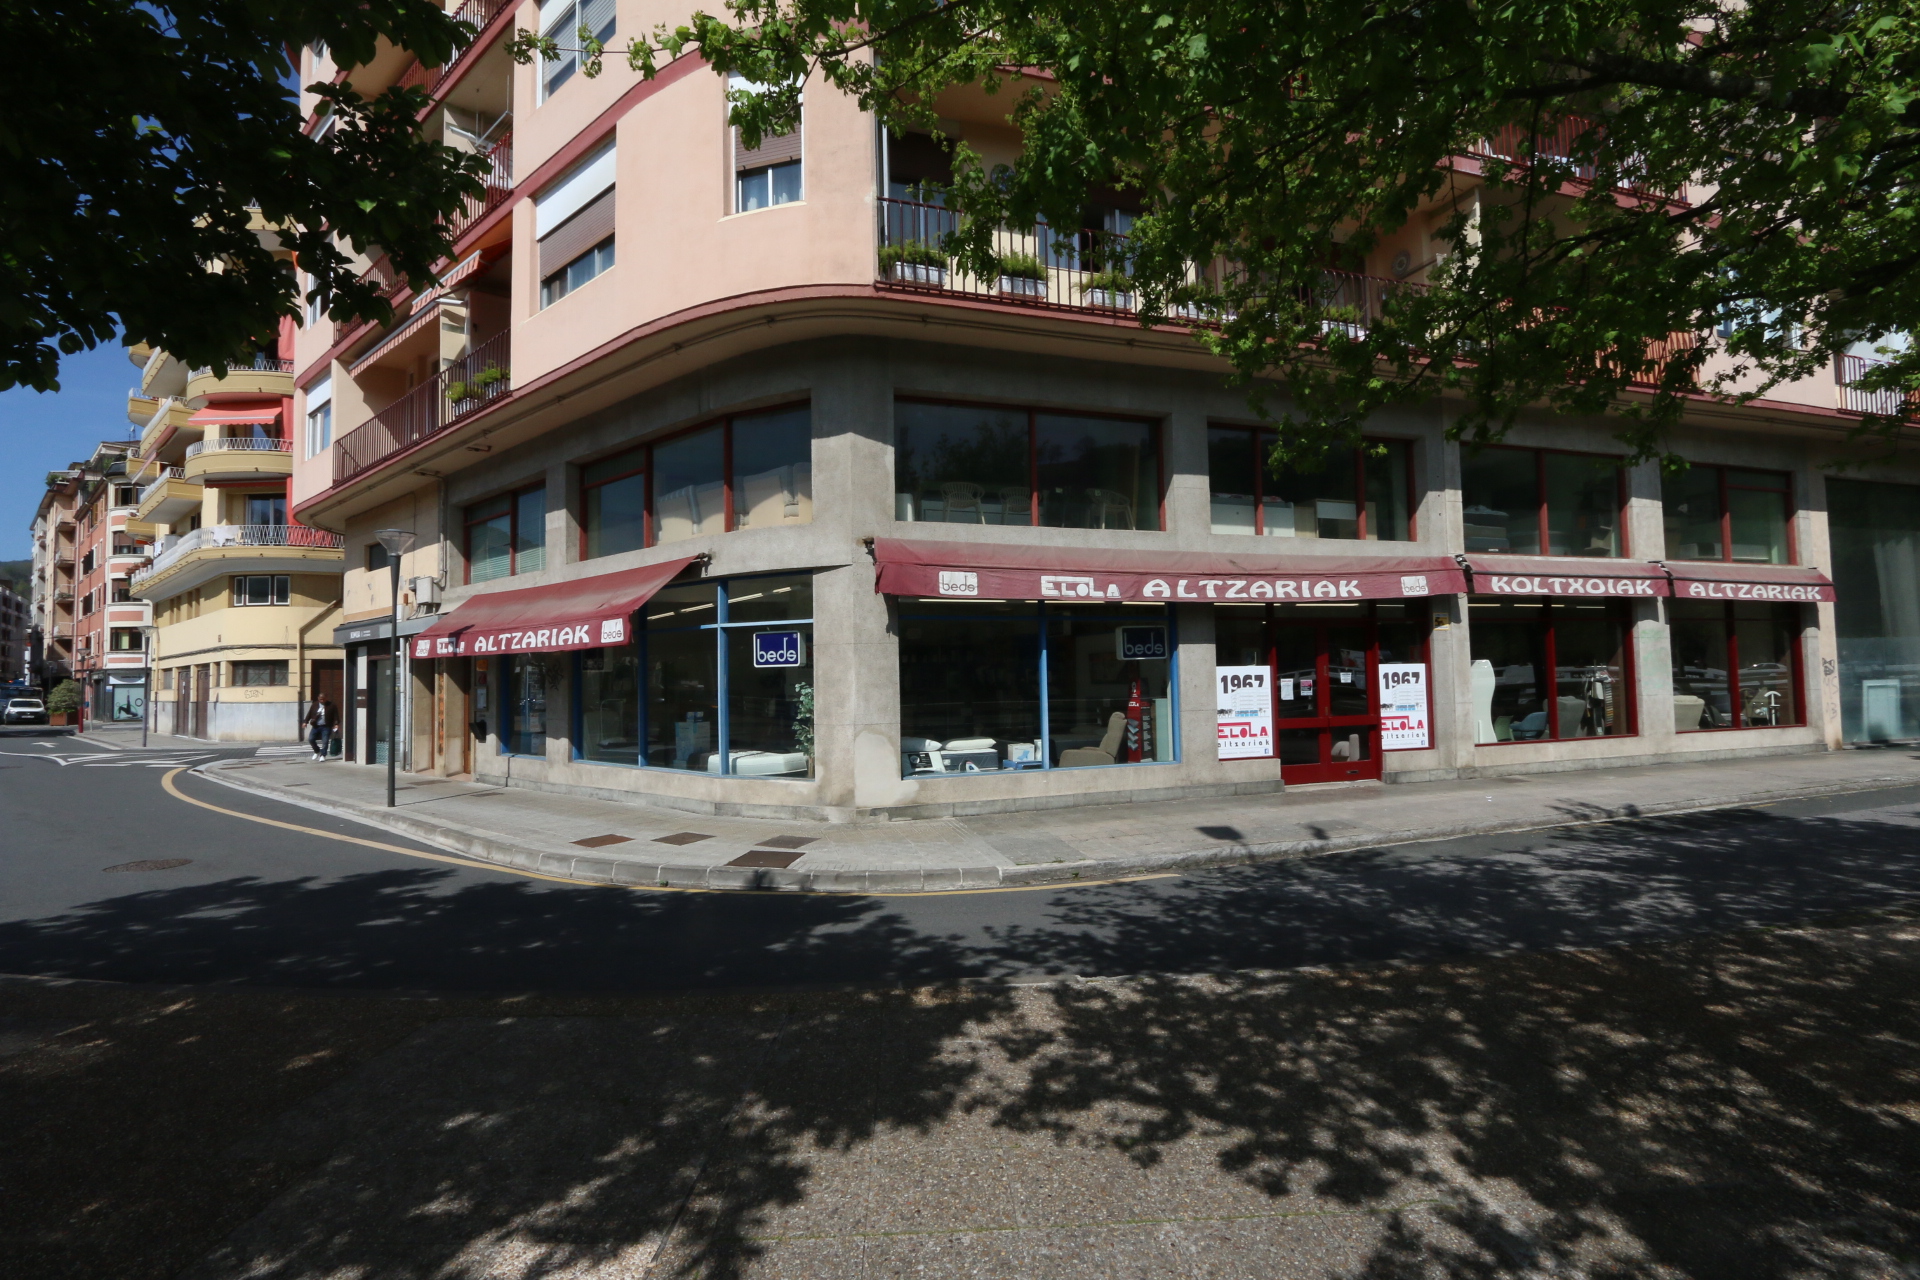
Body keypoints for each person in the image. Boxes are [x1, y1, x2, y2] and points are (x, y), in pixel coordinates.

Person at [302, 694, 336, 760]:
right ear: (318, 698)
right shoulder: (315, 705)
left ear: (326, 698)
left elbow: (335, 715)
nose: (322, 700)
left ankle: (323, 755)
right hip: (316, 726)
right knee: (311, 739)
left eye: (323, 699)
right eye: (320, 699)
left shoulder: (331, 705)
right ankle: (317, 751)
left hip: (326, 726)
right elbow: (309, 714)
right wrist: (305, 722)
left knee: (325, 741)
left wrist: (336, 724)